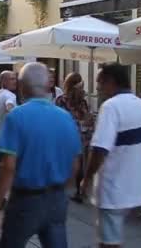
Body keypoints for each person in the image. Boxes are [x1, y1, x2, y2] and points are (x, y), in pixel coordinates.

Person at [0, 62, 81, 247]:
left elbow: (7, 166)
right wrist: (67, 189)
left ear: (22, 87)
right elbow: (76, 161)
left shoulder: (17, 116)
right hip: (56, 199)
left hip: (26, 200)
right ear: (48, 85)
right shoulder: (65, 117)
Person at [81, 63, 141, 248]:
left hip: (113, 187)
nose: (97, 87)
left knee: (108, 242)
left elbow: (99, 149)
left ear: (111, 81)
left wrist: (87, 178)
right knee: (113, 238)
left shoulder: (110, 107)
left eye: (100, 82)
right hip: (133, 186)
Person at [55, 72, 94, 203]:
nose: (82, 88)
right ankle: (69, 187)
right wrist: (82, 122)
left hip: (83, 138)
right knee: (71, 163)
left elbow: (87, 118)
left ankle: (77, 189)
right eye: (80, 85)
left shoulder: (82, 101)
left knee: (81, 164)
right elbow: (60, 121)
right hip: (67, 137)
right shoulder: (61, 100)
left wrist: (88, 120)